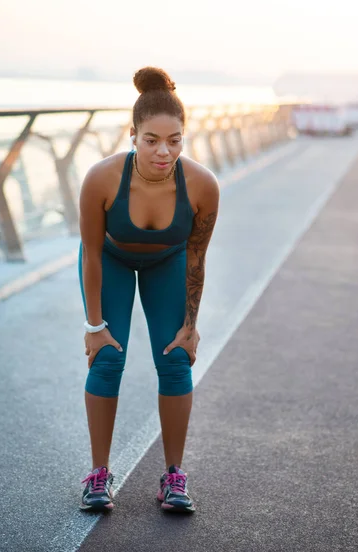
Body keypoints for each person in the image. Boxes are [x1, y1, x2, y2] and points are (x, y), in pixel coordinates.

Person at [78, 66, 219, 513]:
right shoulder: (101, 179)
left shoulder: (202, 186)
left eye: (174, 140)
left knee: (176, 359)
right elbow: (93, 254)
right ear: (133, 134)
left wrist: (192, 326)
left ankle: (174, 477)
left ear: (184, 136)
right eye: (152, 139)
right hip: (112, 261)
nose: (164, 151)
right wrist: (94, 326)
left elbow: (195, 258)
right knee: (107, 359)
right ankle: (98, 475)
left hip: (168, 263)